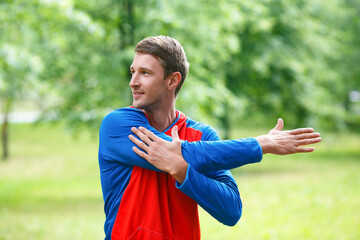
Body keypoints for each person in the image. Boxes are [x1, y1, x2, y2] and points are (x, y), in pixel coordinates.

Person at [98, 36, 321, 240]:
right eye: (133, 71)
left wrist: (183, 172)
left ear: (172, 80)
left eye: (145, 73)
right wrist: (262, 144)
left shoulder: (202, 135)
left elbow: (231, 210)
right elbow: (178, 152)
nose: (133, 82)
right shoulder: (118, 125)